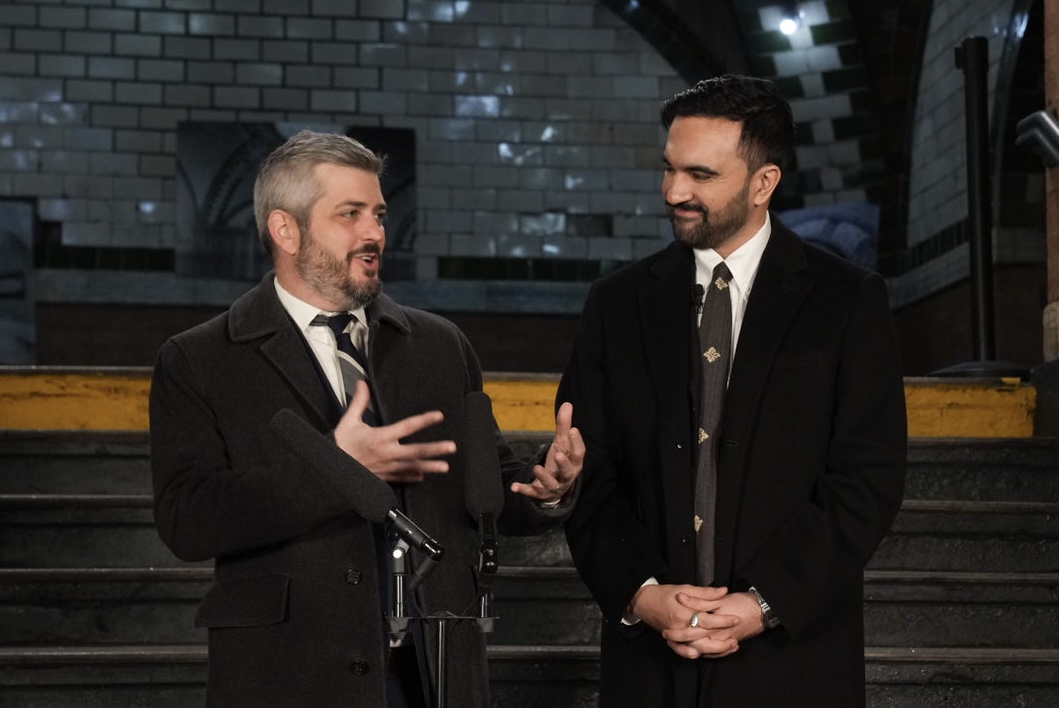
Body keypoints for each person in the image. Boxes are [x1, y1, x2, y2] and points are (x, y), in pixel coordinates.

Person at [149, 129, 584, 708]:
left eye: (378, 213)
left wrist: (545, 489)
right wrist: (339, 469)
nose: (374, 233)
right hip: (290, 676)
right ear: (286, 229)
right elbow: (188, 521)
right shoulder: (200, 359)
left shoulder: (439, 345)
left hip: (433, 670)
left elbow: (488, 486)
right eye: (349, 214)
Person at [558, 74, 906, 707]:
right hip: (648, 671)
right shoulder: (615, 304)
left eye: (701, 175)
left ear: (764, 182)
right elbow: (589, 469)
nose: (674, 192)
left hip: (793, 667)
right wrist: (641, 593)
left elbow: (867, 478)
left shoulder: (848, 301)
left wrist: (763, 603)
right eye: (668, 170)